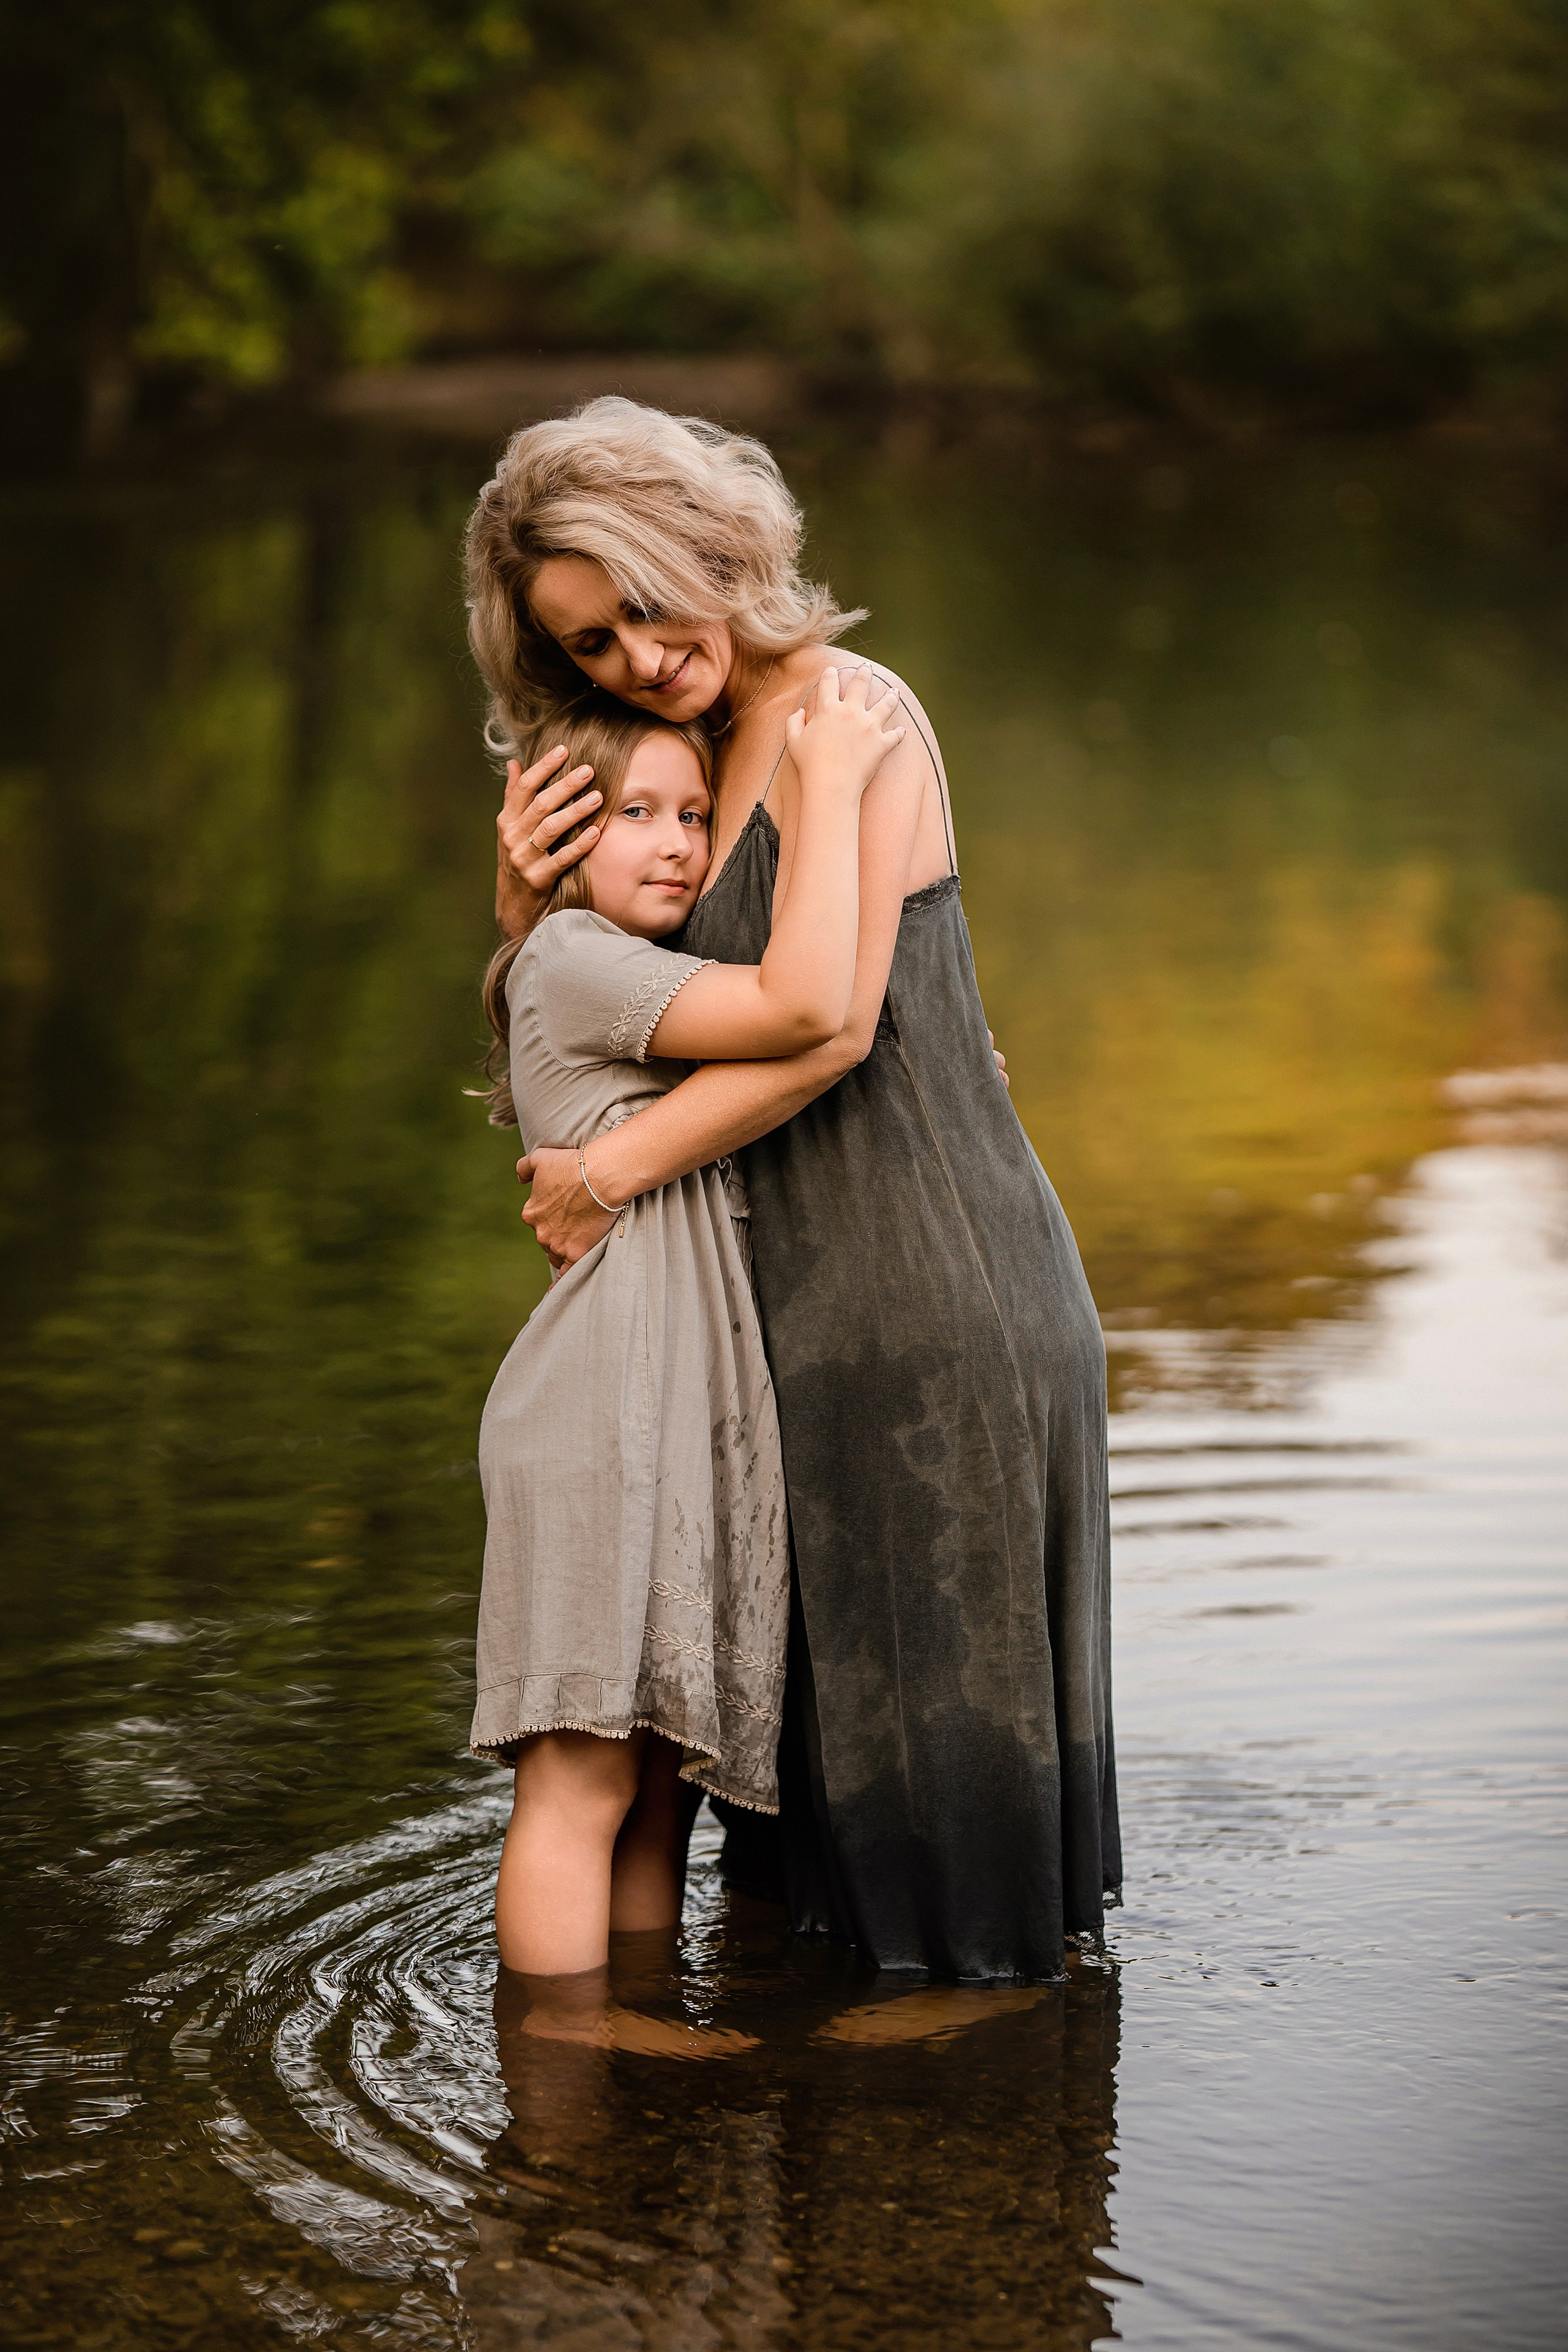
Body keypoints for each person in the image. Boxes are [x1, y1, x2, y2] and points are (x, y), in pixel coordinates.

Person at [466, 396, 1120, 1984]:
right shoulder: (668, 767)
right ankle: (756, 2083)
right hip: (776, 1337)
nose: (636, 656)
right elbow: (594, 1018)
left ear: (709, 544)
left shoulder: (852, 712)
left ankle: (967, 2122)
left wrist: (609, 1171)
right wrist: (522, 905)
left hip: (927, 1291)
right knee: (796, 1853)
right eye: (589, 643)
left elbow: (829, 1025)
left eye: (645, 602)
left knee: (938, 1831)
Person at [472, 669, 904, 1984]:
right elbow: (802, 1006)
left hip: (668, 1420)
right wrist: (831, 781)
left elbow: (799, 1067)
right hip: (597, 1417)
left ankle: (643, 2029)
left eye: (695, 816)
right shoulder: (572, 959)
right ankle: (558, 2054)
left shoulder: (648, 983)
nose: (674, 844)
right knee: (583, 1781)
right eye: (635, 813)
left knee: (659, 1787)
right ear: (560, 837)